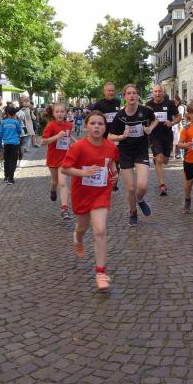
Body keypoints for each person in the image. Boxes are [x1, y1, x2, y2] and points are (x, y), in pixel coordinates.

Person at [61, 111, 119, 291]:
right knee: (82, 226)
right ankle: (77, 238)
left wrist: (115, 175)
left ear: (105, 127)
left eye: (100, 124)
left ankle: (101, 272)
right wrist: (84, 173)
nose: (96, 127)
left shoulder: (111, 147)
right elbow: (65, 169)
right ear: (86, 126)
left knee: (100, 231)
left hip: (101, 192)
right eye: (93, 123)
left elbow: (112, 164)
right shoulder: (78, 147)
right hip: (82, 193)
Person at [108, 84, 158, 226]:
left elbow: (155, 120)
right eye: (129, 93)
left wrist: (150, 128)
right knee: (130, 188)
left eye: (134, 93)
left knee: (142, 186)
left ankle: (140, 200)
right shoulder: (120, 116)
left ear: (137, 96)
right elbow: (109, 137)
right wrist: (121, 137)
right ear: (124, 97)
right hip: (125, 152)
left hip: (141, 151)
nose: (132, 96)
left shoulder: (145, 111)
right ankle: (133, 212)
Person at [41, 103, 75, 219]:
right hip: (53, 158)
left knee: (63, 182)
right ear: (53, 114)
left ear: (66, 113)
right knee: (55, 182)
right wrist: (57, 136)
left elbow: (68, 137)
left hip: (65, 158)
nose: (60, 114)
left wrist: (76, 142)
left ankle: (64, 209)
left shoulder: (69, 125)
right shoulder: (51, 126)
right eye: (57, 112)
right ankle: (53, 190)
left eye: (62, 111)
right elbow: (43, 142)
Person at [146, 84, 182, 196]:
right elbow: (144, 119)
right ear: (153, 93)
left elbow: (179, 117)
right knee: (159, 159)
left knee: (165, 160)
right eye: (155, 91)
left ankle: (159, 160)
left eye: (159, 91)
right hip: (154, 137)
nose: (157, 93)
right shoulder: (148, 105)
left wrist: (172, 123)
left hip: (167, 136)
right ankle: (162, 184)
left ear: (163, 92)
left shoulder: (169, 103)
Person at [91, 82, 123, 190]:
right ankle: (102, 180)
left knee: (116, 159)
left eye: (112, 90)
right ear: (104, 92)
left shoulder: (118, 102)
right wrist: (101, 117)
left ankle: (114, 183)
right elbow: (91, 118)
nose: (111, 92)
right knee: (103, 160)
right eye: (109, 91)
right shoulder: (99, 104)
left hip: (115, 135)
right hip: (103, 136)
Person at [0, 105, 23, 184]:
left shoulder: (3, 122)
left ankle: (6, 177)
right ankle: (11, 179)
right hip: (15, 143)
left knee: (7, 160)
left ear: (8, 113)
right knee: (13, 160)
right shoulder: (16, 122)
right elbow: (20, 131)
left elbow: (0, 134)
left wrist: (0, 144)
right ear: (15, 114)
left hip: (6, 144)